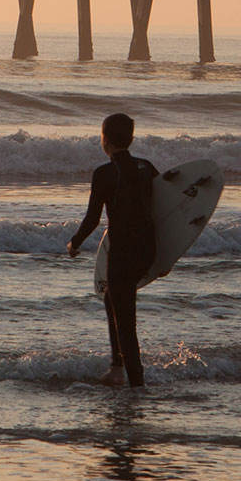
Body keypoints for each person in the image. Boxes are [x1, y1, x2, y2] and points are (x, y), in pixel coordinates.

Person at [67, 113, 158, 387]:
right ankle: (117, 368)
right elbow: (164, 205)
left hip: (122, 253)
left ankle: (135, 385)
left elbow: (93, 218)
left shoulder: (105, 173)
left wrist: (75, 243)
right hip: (147, 249)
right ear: (131, 139)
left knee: (126, 320)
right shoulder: (147, 167)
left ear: (104, 139)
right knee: (113, 301)